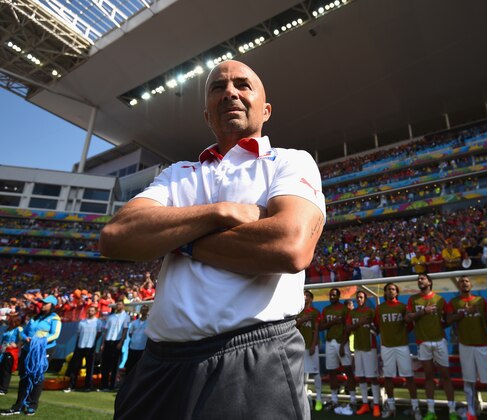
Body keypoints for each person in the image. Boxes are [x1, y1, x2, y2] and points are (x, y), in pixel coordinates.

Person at [100, 60, 326, 420]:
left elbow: (289, 246)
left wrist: (177, 240)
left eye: (242, 85)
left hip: (254, 357)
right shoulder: (177, 174)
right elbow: (115, 236)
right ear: (207, 115)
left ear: (265, 110)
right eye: (218, 88)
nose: (230, 92)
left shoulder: (290, 162)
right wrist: (219, 212)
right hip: (159, 364)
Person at [445, 276, 487, 420]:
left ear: (471, 284)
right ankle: (471, 412)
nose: (464, 284)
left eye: (466, 281)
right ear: (458, 286)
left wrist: (481, 327)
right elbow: (448, 320)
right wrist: (464, 312)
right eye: (461, 282)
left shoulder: (481, 301)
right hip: (465, 345)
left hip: (483, 345)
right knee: (469, 380)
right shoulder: (453, 302)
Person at [406, 273, 457, 420]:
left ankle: (452, 411)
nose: (419, 281)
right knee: (428, 376)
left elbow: (447, 319)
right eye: (418, 279)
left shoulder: (440, 299)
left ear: (430, 282)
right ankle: (431, 411)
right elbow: (408, 317)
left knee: (446, 376)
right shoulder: (413, 299)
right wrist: (423, 312)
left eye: (422, 278)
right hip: (423, 342)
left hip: (440, 341)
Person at [1, 295, 61, 416]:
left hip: (43, 350)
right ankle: (18, 405)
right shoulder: (35, 318)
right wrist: (26, 338)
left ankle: (32, 405)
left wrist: (38, 340)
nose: (43, 305)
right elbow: (24, 332)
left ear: (52, 305)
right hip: (28, 350)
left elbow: (55, 335)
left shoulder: (55, 318)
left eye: (46, 303)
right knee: (24, 376)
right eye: (42, 303)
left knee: (37, 376)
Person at [374, 282, 420, 419]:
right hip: (386, 346)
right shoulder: (380, 308)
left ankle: (415, 407)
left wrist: (401, 334)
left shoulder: (403, 307)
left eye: (393, 289)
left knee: (409, 377)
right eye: (388, 289)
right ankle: (391, 406)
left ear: (397, 292)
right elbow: (378, 325)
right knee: (388, 377)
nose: (391, 291)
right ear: (385, 292)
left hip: (402, 346)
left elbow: (409, 325)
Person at [344, 290, 381, 417]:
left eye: (361, 297)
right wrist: (360, 323)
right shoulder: (352, 313)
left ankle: (376, 405)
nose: (359, 299)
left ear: (365, 299)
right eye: (357, 298)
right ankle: (365, 404)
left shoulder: (371, 312)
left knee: (373, 377)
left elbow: (378, 329)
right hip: (358, 348)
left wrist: (369, 325)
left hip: (370, 347)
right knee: (361, 377)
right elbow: (348, 328)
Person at [319, 288, 355, 412]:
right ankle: (334, 400)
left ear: (338, 296)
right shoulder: (326, 309)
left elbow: (348, 328)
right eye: (330, 295)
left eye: (334, 295)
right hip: (329, 343)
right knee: (332, 372)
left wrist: (342, 345)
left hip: (342, 343)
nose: (332, 297)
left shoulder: (344, 310)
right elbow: (321, 327)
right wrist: (333, 322)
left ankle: (353, 400)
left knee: (348, 371)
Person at [296, 291, 323, 412]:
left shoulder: (315, 312)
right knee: (300, 375)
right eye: (303, 295)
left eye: (307, 295)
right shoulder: (297, 311)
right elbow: (293, 327)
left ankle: (319, 399)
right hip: (299, 347)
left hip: (311, 347)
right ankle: (302, 400)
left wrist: (313, 345)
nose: (304, 297)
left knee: (316, 373)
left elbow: (316, 330)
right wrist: (303, 319)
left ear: (311, 298)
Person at [64, 305, 102, 392]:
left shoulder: (98, 322)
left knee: (89, 367)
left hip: (90, 347)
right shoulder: (82, 322)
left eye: (92, 310)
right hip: (80, 346)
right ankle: (71, 385)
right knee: (75, 366)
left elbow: (99, 333)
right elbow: (78, 334)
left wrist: (93, 342)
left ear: (95, 312)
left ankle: (88, 385)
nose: (90, 312)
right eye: (89, 310)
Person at [99, 300, 129, 392]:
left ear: (123, 306)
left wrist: (121, 342)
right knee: (105, 363)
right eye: (117, 304)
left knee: (115, 364)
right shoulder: (110, 317)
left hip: (117, 341)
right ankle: (104, 384)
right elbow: (105, 331)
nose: (117, 306)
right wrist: (103, 343)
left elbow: (125, 330)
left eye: (119, 304)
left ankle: (113, 385)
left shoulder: (126, 317)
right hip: (108, 340)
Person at [124, 304, 149, 377]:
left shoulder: (149, 323)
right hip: (133, 347)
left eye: (145, 310)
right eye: (142, 310)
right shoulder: (134, 322)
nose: (143, 311)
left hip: (143, 348)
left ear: (147, 311)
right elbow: (130, 334)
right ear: (140, 311)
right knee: (130, 366)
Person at [0, 314, 22, 395]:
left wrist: (17, 345)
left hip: (11, 351)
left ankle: (3, 389)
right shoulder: (8, 329)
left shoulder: (18, 329)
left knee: (6, 371)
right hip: (3, 351)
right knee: (1, 370)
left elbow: (23, 339)